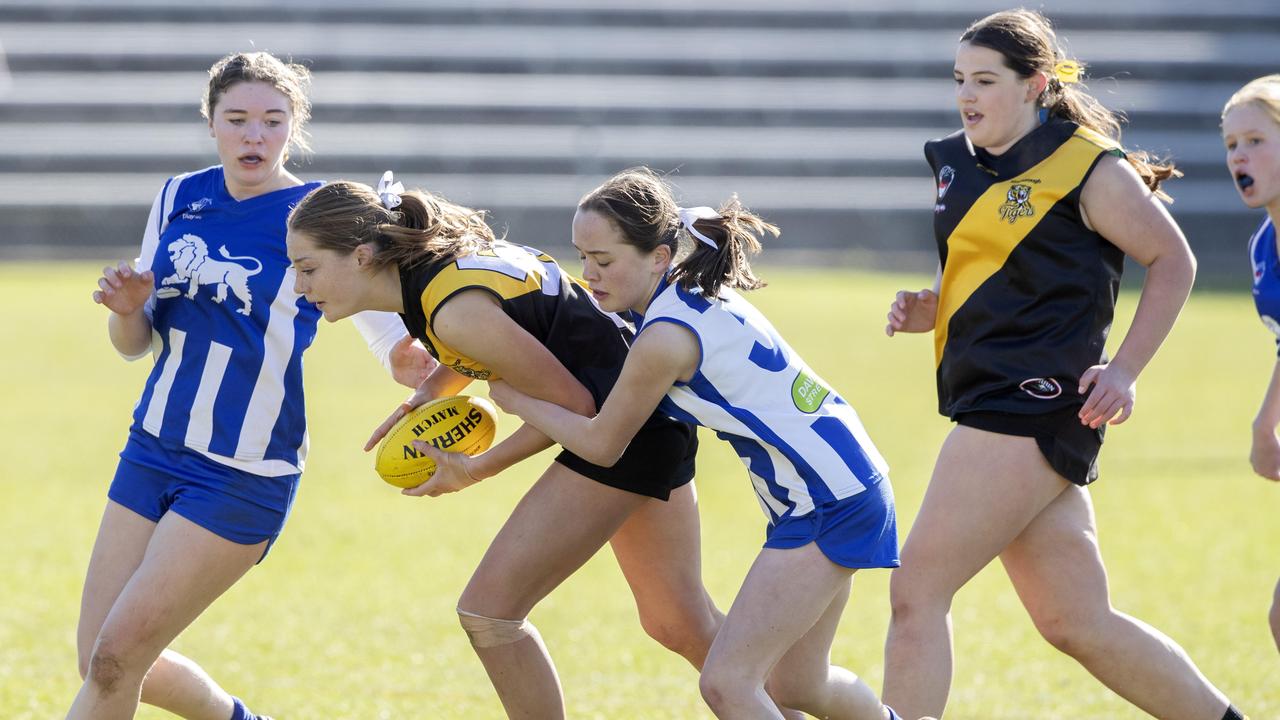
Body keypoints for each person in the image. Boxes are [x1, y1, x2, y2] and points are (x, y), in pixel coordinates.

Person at [879, 9, 1247, 720]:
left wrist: (1126, 370)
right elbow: (1003, 268)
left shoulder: (1088, 165)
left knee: (915, 592)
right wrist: (936, 305)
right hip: (1008, 399)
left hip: (1027, 403)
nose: (968, 95)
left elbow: (1174, 261)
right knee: (1077, 623)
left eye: (986, 80)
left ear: (1036, 85)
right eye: (960, 80)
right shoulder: (957, 160)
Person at [284, 176, 762, 720]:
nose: (301, 286)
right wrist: (430, 392)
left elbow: (575, 406)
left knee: (489, 614)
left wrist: (476, 469)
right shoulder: (438, 277)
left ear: (364, 256)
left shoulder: (450, 311)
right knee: (678, 623)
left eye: (309, 267)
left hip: (620, 435)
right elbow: (516, 335)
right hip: (647, 425)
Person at [74, 52, 429, 720]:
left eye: (272, 120)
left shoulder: (321, 212)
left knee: (116, 659)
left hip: (242, 470)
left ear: (295, 126)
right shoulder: (179, 197)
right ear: (211, 123)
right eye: (237, 119)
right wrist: (126, 311)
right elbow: (135, 345)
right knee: (99, 655)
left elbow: (390, 340)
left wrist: (419, 365)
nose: (254, 136)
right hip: (151, 448)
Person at [488, 167, 902, 720]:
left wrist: (517, 400)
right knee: (798, 685)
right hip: (847, 482)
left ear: (659, 256)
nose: (588, 274)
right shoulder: (684, 290)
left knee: (729, 685)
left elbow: (603, 443)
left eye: (604, 261)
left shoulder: (665, 337)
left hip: (828, 499)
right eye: (581, 256)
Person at [1222, 73, 1280, 655]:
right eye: (1232, 145)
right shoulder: (1263, 248)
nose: (1240, 154)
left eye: (1256, 140)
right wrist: (1266, 423)